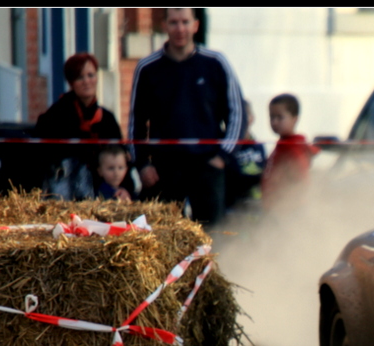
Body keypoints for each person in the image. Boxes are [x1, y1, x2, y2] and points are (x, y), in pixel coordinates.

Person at [128, 7, 244, 229]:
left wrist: (222, 156)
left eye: (185, 22)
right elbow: (136, 123)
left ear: (195, 25)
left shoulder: (216, 63)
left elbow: (237, 114)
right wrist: (142, 165)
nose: (180, 28)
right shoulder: (147, 68)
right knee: (162, 240)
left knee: (212, 241)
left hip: (207, 168)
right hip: (163, 171)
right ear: (164, 26)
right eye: (173, 22)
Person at [34, 52, 124, 200]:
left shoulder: (107, 119)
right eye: (80, 77)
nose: (87, 81)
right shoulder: (56, 116)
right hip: (64, 190)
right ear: (71, 82)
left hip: (102, 191)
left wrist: (123, 188)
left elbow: (120, 158)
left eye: (90, 75)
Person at [260, 93, 319, 211]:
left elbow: (302, 180)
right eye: (271, 117)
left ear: (295, 119)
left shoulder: (294, 148)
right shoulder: (282, 144)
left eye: (280, 117)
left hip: (286, 210)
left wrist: (288, 204)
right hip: (274, 207)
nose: (274, 122)